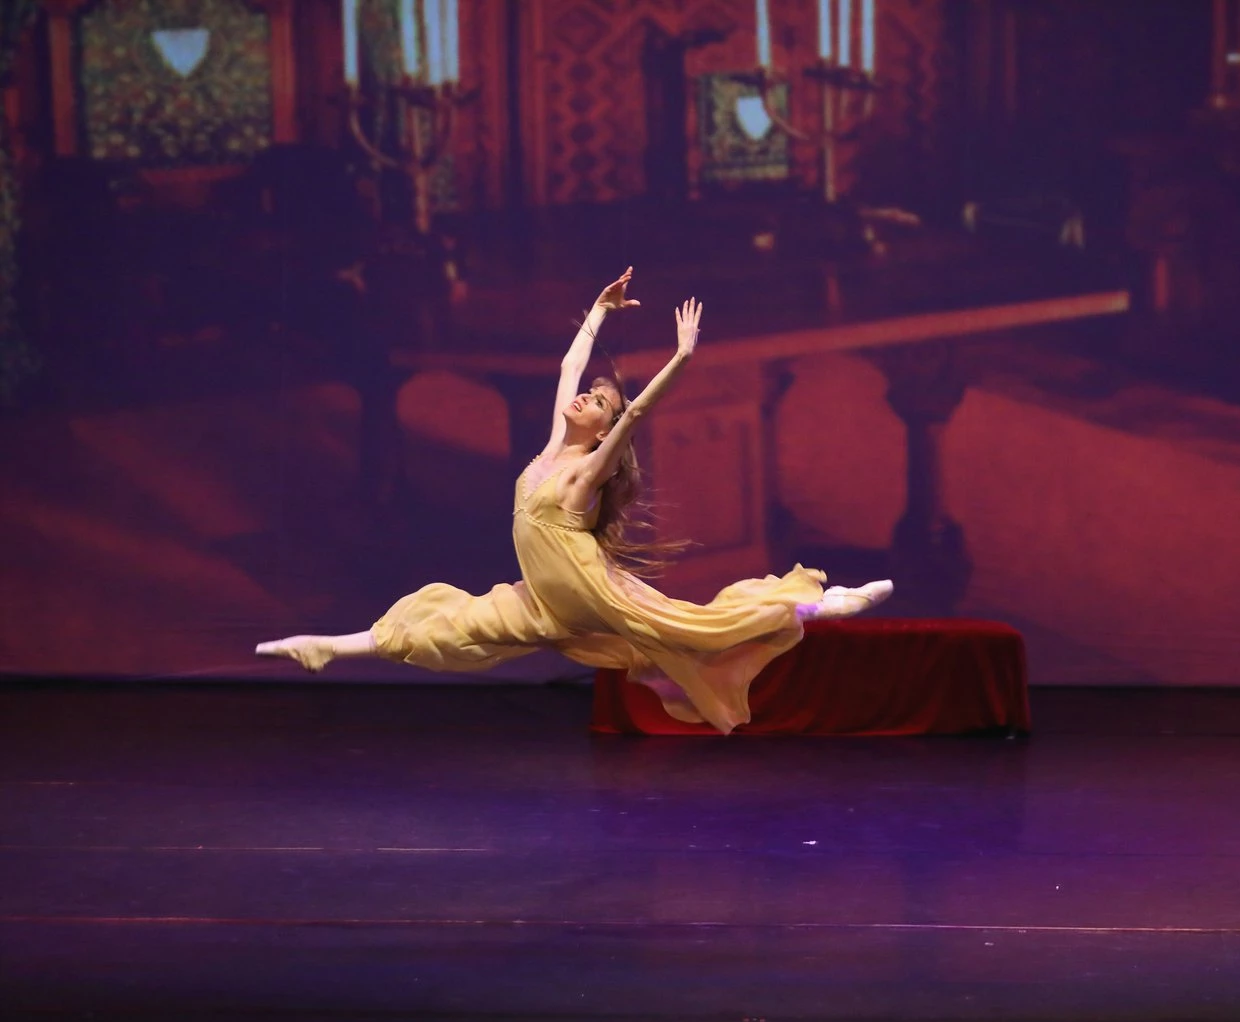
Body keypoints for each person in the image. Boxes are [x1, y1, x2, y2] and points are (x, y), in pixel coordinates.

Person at [256, 267, 893, 733]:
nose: (586, 396)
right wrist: (598, 309)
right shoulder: (552, 447)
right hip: (542, 606)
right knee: (443, 626)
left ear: (603, 428)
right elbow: (569, 365)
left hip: (597, 594)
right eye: (590, 393)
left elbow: (634, 416)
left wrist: (681, 358)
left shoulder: (586, 473)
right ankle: (327, 646)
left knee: (701, 630)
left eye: (598, 402)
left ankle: (822, 603)